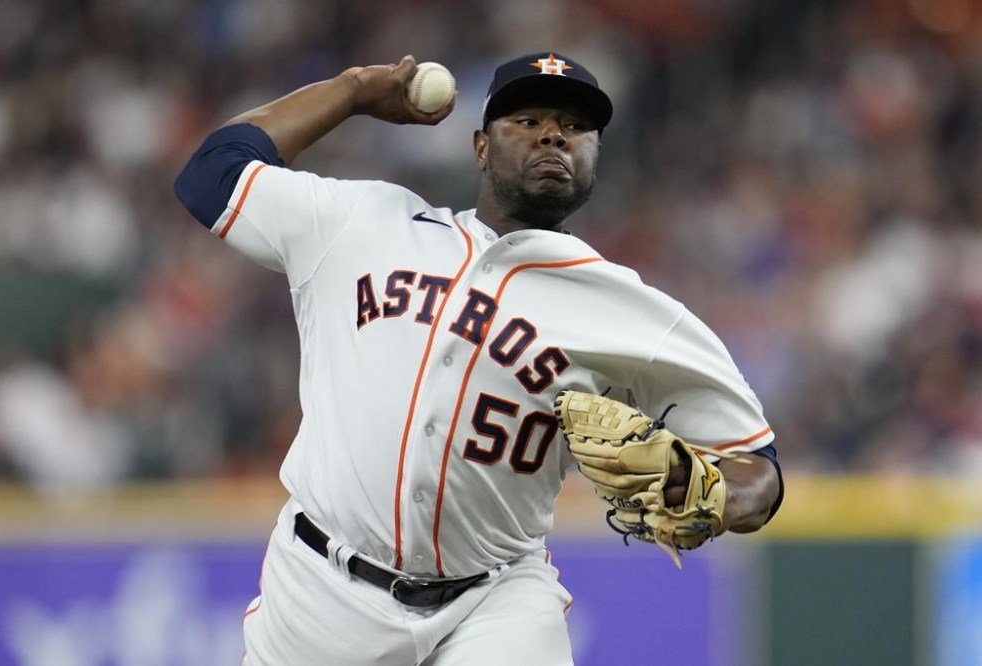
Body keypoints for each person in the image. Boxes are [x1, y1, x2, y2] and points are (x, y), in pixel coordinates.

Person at [174, 51, 784, 666]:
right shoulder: (362, 224)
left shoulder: (633, 311)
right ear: (481, 146)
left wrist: (712, 495)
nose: (553, 133)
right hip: (320, 589)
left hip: (495, 603)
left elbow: (758, 468)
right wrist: (353, 91)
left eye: (575, 126)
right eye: (527, 119)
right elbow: (209, 174)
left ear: (595, 156)